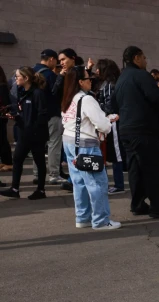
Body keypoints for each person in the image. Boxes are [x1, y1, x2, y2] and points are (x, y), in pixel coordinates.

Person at [111, 45, 159, 218]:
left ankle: (138, 204)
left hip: (126, 129)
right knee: (151, 169)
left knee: (135, 169)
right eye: (144, 57)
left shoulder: (121, 78)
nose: (146, 61)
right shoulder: (142, 76)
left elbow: (113, 105)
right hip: (144, 130)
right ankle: (156, 205)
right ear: (136, 58)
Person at [60, 65, 121, 230]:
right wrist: (108, 121)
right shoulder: (86, 99)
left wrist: (104, 119)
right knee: (97, 183)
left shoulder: (68, 98)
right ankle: (100, 220)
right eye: (88, 78)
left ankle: (82, 217)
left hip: (69, 142)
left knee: (79, 182)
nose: (91, 81)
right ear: (80, 82)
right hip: (86, 145)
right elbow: (103, 125)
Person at [0, 67, 49, 199]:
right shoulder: (23, 92)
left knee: (39, 161)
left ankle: (41, 190)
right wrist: (15, 116)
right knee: (17, 159)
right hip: (24, 132)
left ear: (26, 78)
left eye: (17, 77)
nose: (15, 79)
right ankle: (15, 189)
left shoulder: (38, 93)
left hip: (35, 135)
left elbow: (42, 115)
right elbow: (25, 113)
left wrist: (33, 129)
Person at [32, 49, 65, 184]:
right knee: (53, 144)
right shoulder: (50, 75)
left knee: (38, 145)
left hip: (36, 115)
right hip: (51, 113)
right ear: (51, 59)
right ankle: (53, 174)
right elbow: (55, 93)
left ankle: (37, 174)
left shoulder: (31, 72)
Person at [96, 59, 126, 194]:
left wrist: (98, 109)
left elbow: (108, 104)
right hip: (113, 119)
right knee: (115, 153)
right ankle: (118, 183)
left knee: (116, 153)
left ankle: (119, 185)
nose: (97, 71)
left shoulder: (108, 85)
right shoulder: (113, 82)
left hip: (112, 120)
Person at [0, 66, 12, 174]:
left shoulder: (2, 87)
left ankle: (7, 162)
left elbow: (5, 103)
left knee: (2, 140)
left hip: (1, 117)